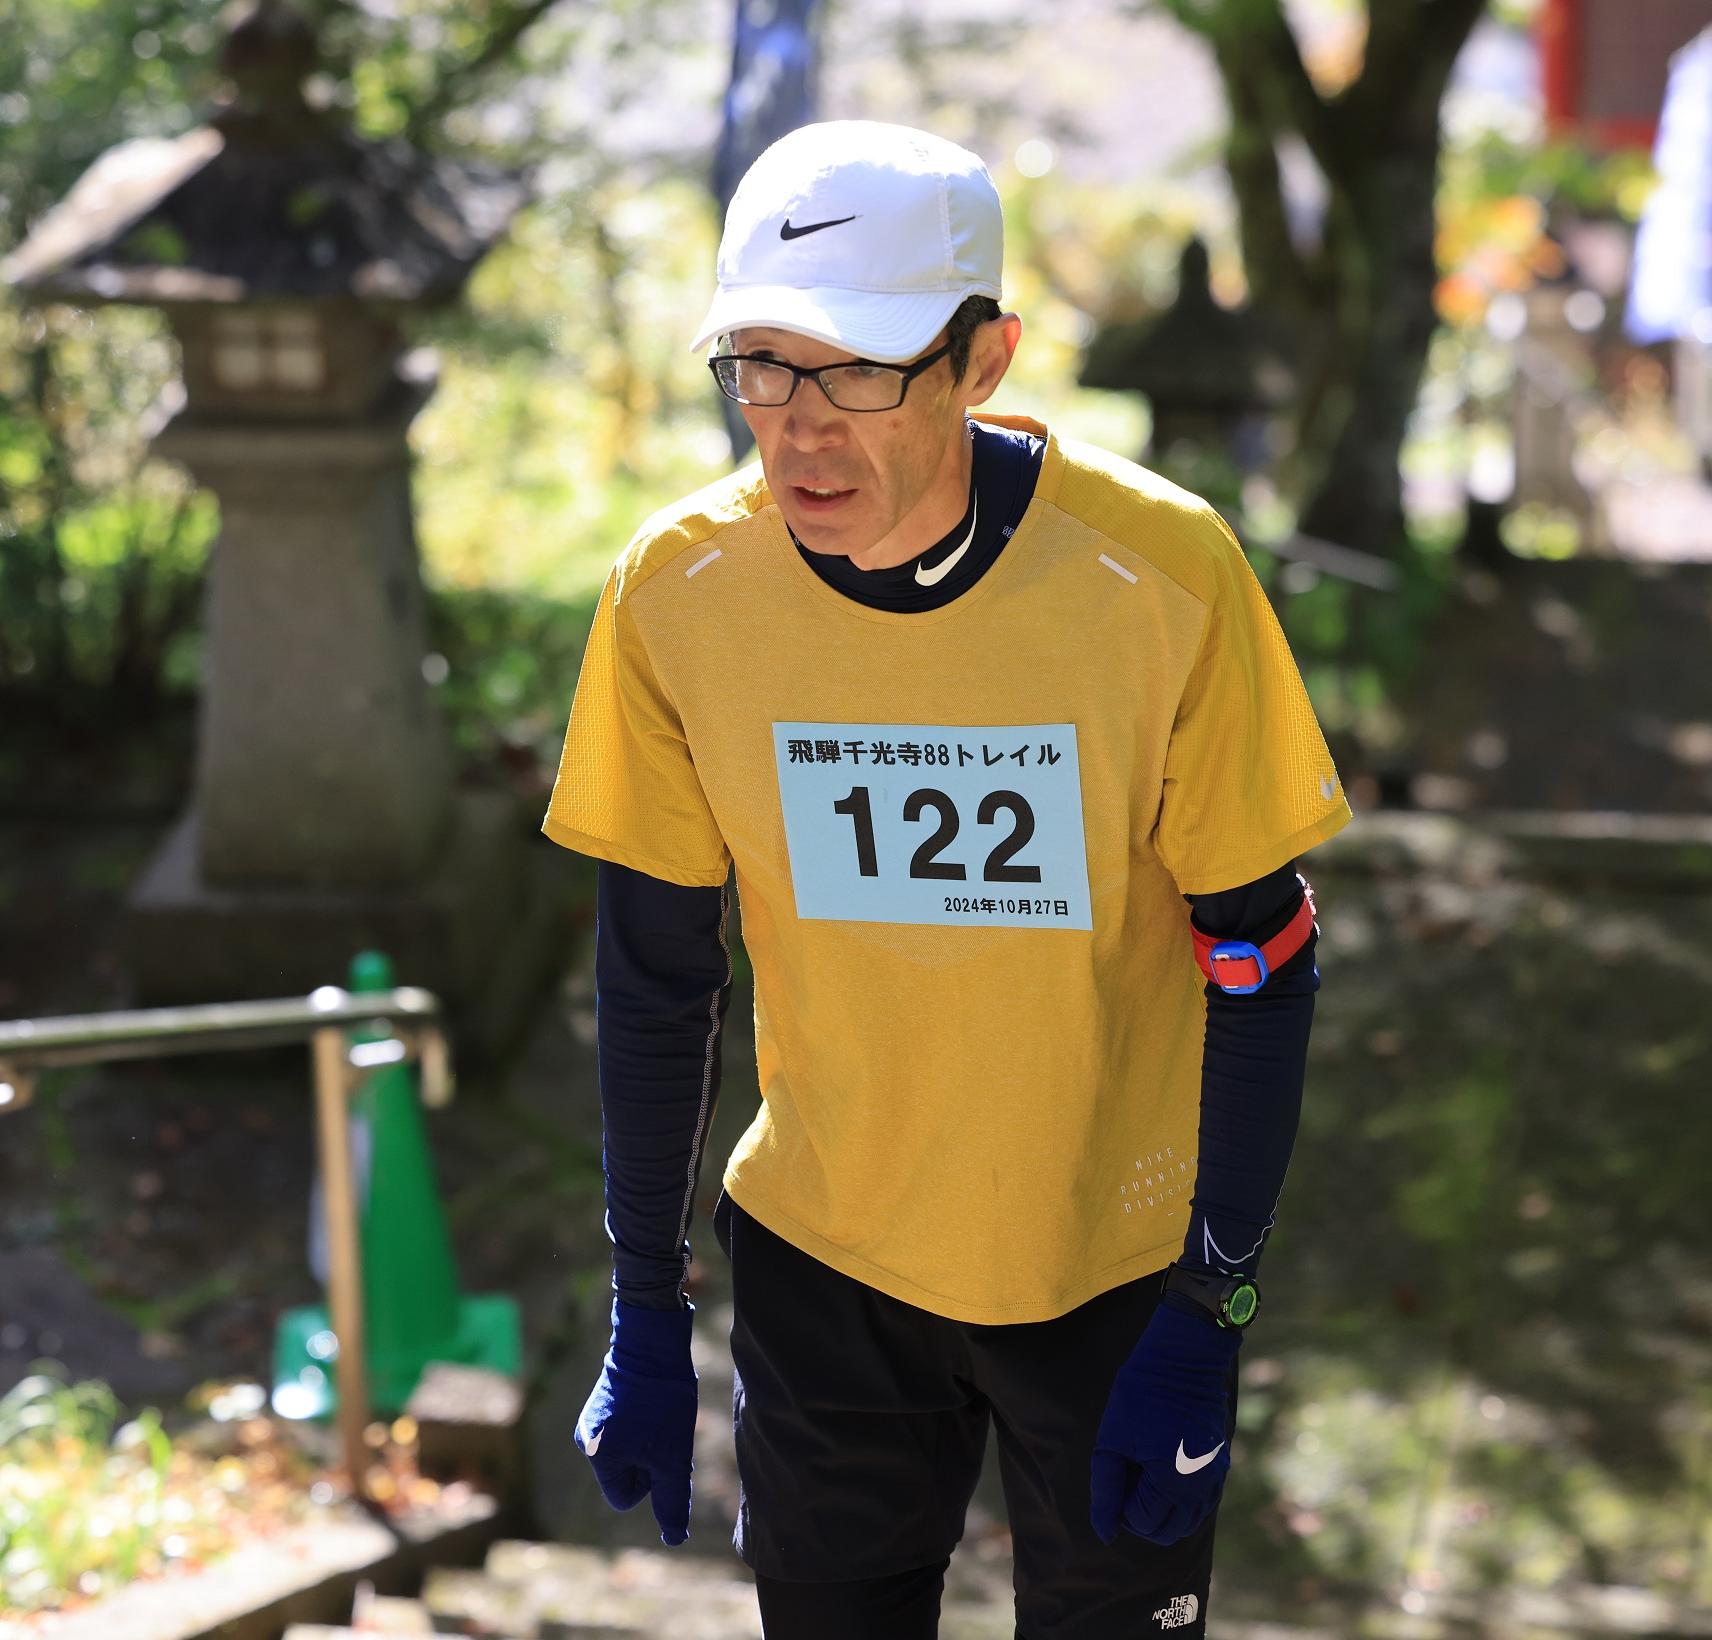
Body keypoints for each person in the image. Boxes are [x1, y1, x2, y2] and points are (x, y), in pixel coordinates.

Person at [542, 120, 1349, 1640]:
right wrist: (643, 1299)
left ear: (982, 361)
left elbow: (1264, 957)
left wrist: (1211, 1307)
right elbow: (655, 976)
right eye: (760, 366)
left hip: (1108, 1270)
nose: (796, 427)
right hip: (824, 1257)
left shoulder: (1160, 577)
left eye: (855, 370)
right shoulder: (678, 591)